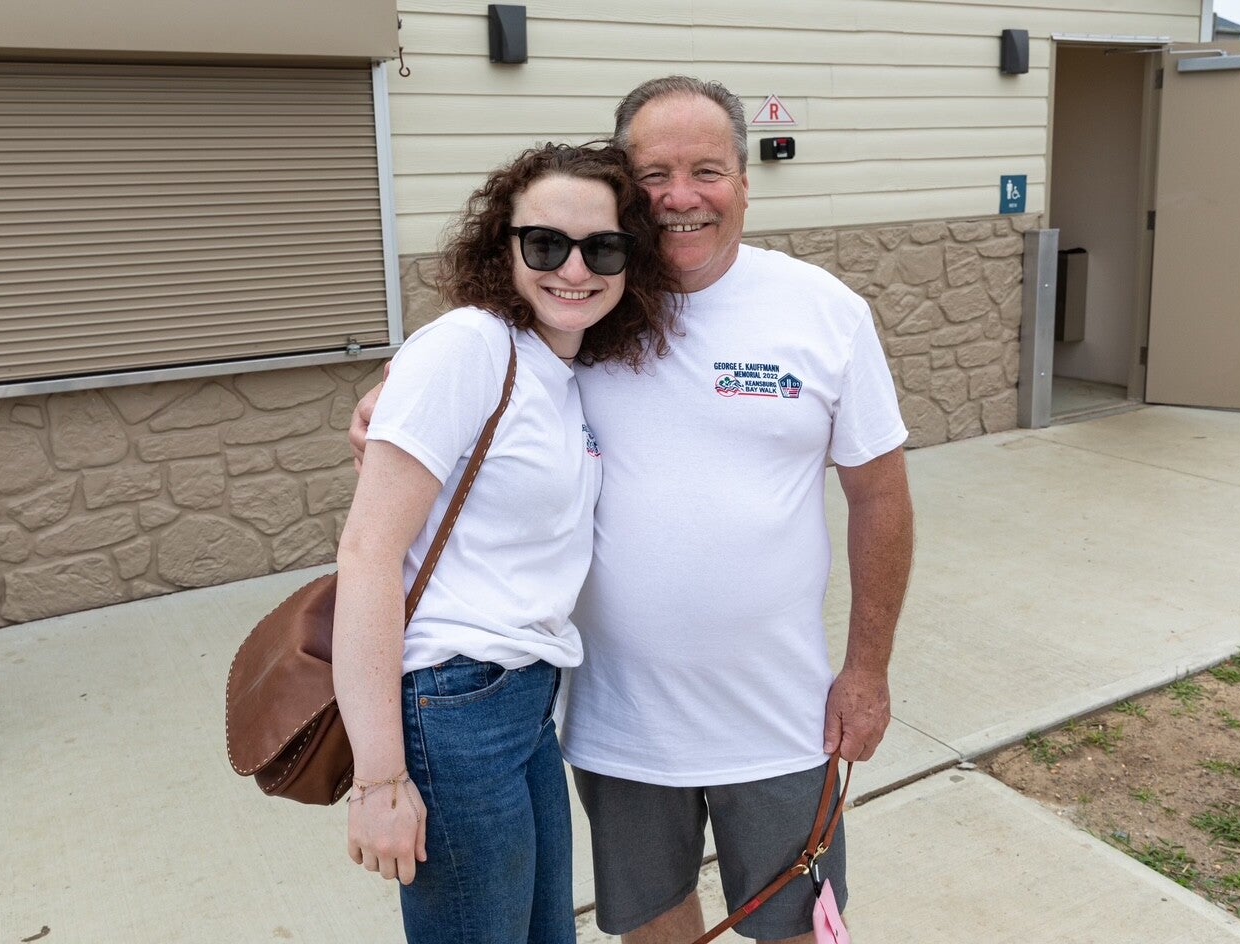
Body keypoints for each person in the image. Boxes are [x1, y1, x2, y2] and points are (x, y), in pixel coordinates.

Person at [352, 77, 914, 944]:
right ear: (626, 188)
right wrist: (388, 388)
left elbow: (880, 496)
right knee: (651, 930)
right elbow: (472, 355)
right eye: (655, 174)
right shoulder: (591, 315)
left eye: (707, 171)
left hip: (781, 718)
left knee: (798, 932)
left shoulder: (823, 312)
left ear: (744, 182)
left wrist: (868, 671)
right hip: (620, 727)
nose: (682, 196)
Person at [331, 142, 672, 944]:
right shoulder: (469, 346)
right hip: (452, 700)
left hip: (525, 696)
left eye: (603, 248)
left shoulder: (562, 366)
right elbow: (367, 554)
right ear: (504, 247)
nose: (574, 269)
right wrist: (378, 781)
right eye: (545, 244)